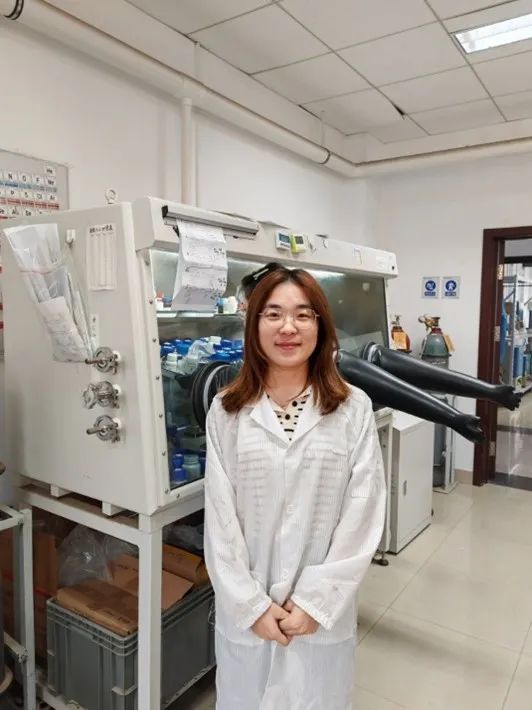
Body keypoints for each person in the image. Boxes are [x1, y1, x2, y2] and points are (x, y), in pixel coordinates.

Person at [204, 267, 386, 710]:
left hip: (320, 619)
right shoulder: (226, 411)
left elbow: (363, 513)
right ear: (254, 326)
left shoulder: (353, 409)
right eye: (273, 314)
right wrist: (251, 606)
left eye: (303, 315)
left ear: (320, 327)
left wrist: (314, 604)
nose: (288, 327)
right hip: (249, 616)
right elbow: (219, 520)